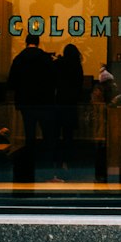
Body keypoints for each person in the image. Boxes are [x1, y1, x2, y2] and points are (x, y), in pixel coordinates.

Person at [6, 32, 56, 178]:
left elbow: (12, 82)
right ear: (38, 42)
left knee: (29, 134)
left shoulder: (19, 59)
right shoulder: (46, 58)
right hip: (44, 102)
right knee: (48, 135)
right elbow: (54, 79)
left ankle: (30, 164)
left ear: (26, 42)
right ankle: (46, 166)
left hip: (26, 103)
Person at [52, 43, 85, 172]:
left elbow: (53, 80)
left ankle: (56, 162)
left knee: (55, 135)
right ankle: (67, 162)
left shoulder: (59, 64)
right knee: (68, 136)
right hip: (71, 104)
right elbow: (79, 85)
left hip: (58, 102)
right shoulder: (77, 66)